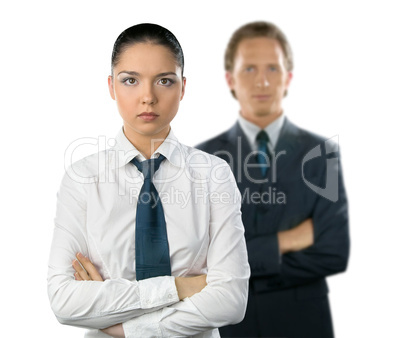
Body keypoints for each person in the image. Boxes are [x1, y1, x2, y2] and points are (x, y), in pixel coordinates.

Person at [47, 23, 250, 338]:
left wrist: (124, 326)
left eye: (164, 81)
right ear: (112, 87)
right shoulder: (83, 178)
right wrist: (180, 287)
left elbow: (230, 301)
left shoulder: (214, 175)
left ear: (182, 88)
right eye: (130, 80)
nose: (148, 97)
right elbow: (64, 301)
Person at [196, 21, 350, 338]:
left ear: (288, 78)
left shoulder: (322, 154)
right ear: (231, 80)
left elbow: (334, 252)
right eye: (249, 69)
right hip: (232, 326)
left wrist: (239, 264)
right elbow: (198, 261)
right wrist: (286, 241)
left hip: (305, 323)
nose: (262, 80)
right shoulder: (202, 160)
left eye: (273, 69)